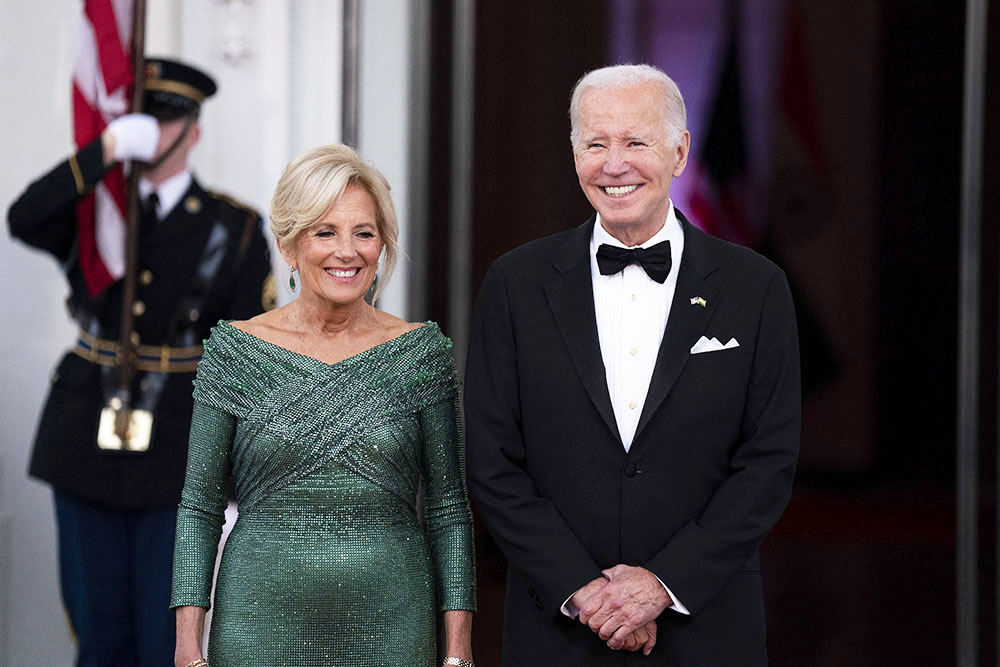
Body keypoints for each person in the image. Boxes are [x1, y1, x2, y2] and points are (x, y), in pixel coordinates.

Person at [464, 64, 800, 666]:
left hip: (708, 627)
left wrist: (662, 586)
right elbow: (491, 461)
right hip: (557, 629)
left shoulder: (757, 287)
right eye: (595, 144)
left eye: (636, 142)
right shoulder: (515, 284)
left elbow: (768, 461)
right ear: (574, 155)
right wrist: (585, 591)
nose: (614, 164)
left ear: (679, 152)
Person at [7, 58, 272, 666]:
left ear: (193, 131)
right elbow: (22, 218)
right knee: (99, 636)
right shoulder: (95, 213)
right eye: (139, 116)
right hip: (84, 440)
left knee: (166, 637)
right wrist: (102, 151)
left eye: (164, 117)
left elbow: (252, 362)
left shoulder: (234, 229)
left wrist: (240, 470)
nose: (150, 128)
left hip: (181, 454)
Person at [170, 144, 477, 667]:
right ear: (288, 246)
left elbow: (449, 509)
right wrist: (186, 647)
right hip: (257, 625)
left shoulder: (422, 352)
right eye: (325, 232)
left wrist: (458, 651)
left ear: (381, 245)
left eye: (364, 232)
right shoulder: (234, 350)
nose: (348, 251)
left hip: (393, 625)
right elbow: (199, 505)